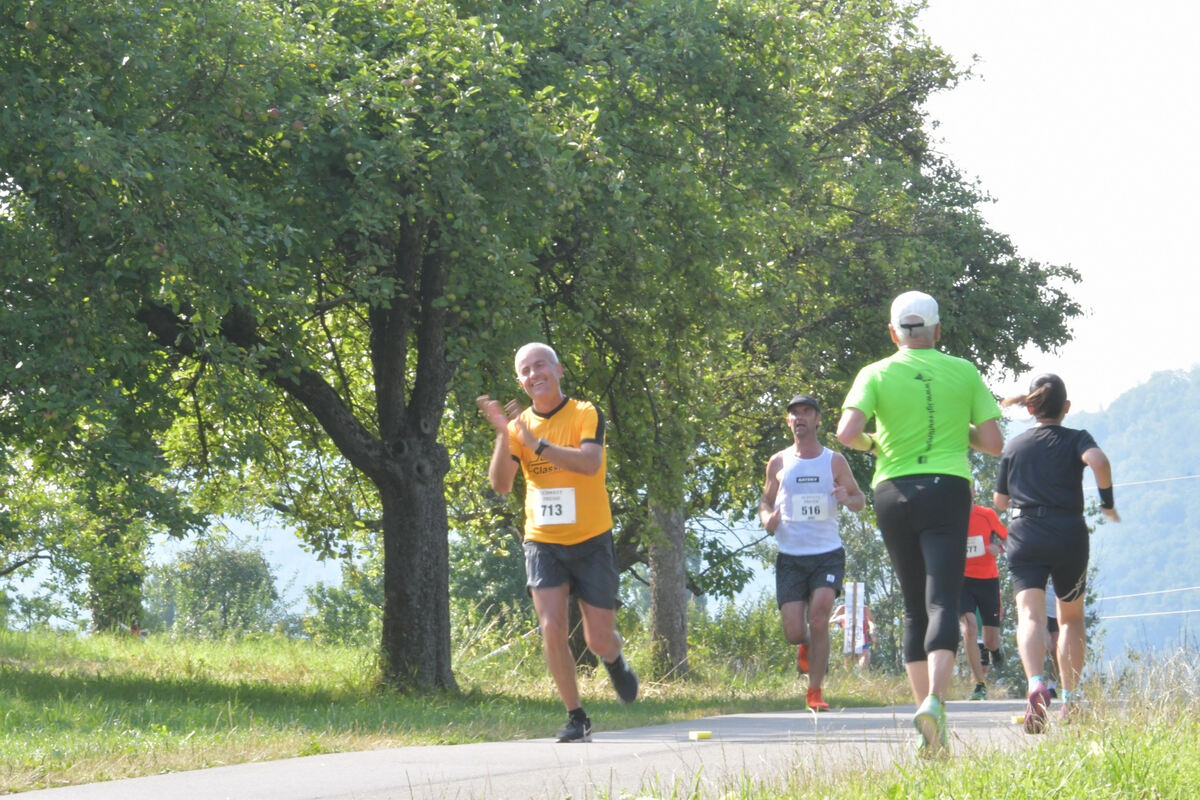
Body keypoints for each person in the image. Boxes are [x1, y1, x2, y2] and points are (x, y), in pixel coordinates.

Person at [836, 291, 1004, 756]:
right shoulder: (963, 371)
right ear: (938, 331)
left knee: (914, 607)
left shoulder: (874, 373)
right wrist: (956, 427)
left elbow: (847, 433)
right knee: (943, 600)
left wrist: (876, 445)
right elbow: (993, 443)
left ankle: (927, 728)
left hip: (893, 490)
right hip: (947, 489)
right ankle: (936, 700)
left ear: (893, 333)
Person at [478, 342, 638, 743]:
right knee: (551, 627)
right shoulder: (518, 429)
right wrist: (505, 435)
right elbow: (500, 484)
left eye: (541, 366)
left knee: (597, 638)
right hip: (543, 541)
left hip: (591, 539)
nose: (535, 374)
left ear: (558, 370)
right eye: (526, 370)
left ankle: (614, 660)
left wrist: (539, 446)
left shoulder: (585, 412)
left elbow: (590, 464)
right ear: (520, 381)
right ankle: (576, 715)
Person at [994, 373, 1119, 732]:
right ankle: (1069, 699)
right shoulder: (1077, 438)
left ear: (1030, 408)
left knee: (1030, 617)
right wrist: (1107, 502)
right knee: (1070, 619)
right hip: (1067, 533)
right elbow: (1099, 460)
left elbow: (1000, 501)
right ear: (1066, 408)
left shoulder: (1014, 446)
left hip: (1025, 532)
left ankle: (1035, 684)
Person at [759, 393, 865, 711]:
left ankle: (815, 691)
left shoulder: (833, 461)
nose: (801, 417)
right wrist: (769, 519)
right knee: (795, 631)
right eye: (795, 413)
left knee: (819, 617)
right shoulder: (778, 462)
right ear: (788, 421)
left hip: (827, 553)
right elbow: (765, 502)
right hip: (790, 556)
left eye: (807, 412)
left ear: (818, 419)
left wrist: (847, 496)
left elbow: (859, 500)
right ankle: (805, 645)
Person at [961, 496, 1008, 700]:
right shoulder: (950, 516)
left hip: (988, 581)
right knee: (969, 628)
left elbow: (1008, 538)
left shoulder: (987, 515)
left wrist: (1000, 549)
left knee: (989, 641)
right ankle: (979, 684)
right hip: (961, 580)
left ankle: (996, 648)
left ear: (973, 493)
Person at [831, 601, 876, 671]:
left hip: (863, 642)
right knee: (848, 671)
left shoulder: (864, 608)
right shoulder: (842, 608)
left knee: (863, 667)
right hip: (848, 643)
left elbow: (871, 620)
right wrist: (838, 619)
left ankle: (863, 680)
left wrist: (872, 630)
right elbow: (831, 621)